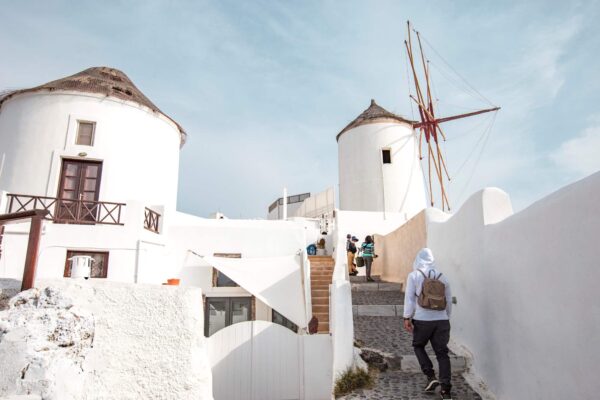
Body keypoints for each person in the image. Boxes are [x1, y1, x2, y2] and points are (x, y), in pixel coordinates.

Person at [403, 248, 453, 399]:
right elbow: (449, 300)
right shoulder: (443, 277)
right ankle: (446, 390)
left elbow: (410, 298)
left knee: (418, 345)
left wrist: (407, 317)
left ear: (418, 259)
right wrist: (446, 317)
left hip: (423, 319)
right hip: (442, 320)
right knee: (442, 353)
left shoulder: (414, 275)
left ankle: (431, 376)